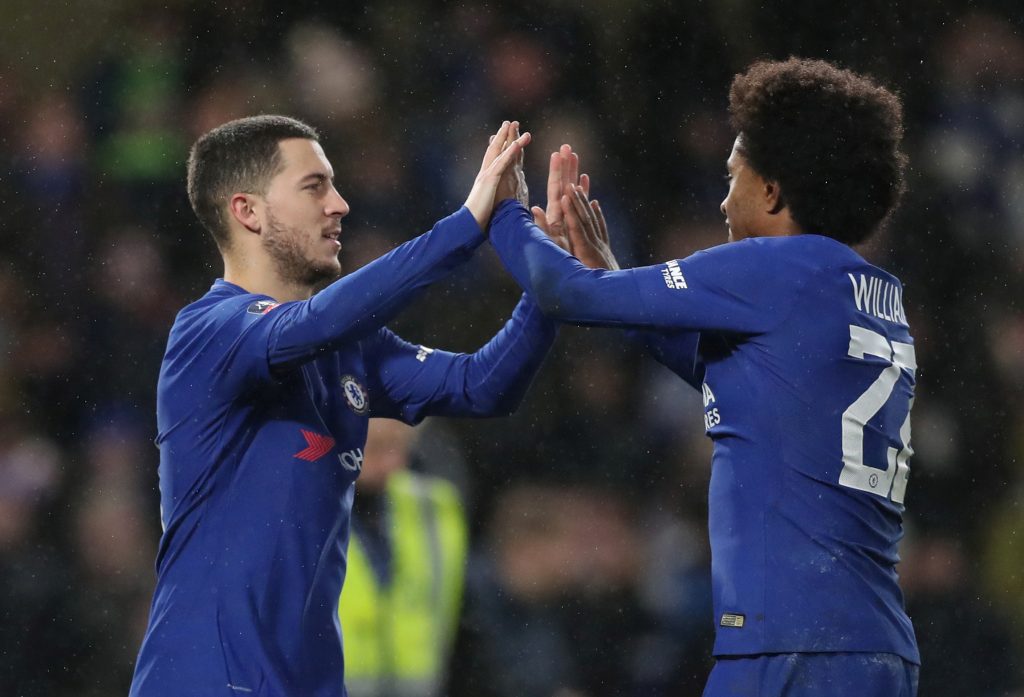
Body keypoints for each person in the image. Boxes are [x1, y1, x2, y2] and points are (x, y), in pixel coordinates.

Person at [488, 58, 920, 696]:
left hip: (790, 647)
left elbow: (560, 292)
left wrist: (502, 214)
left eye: (732, 178)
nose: (723, 201)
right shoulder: (870, 297)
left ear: (772, 191)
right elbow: (722, 371)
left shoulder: (775, 268)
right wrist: (611, 279)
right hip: (872, 647)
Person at [129, 116, 556, 697]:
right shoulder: (207, 333)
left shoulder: (348, 350)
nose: (340, 204)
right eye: (314, 186)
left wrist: (548, 285)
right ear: (248, 212)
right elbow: (315, 321)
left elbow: (485, 386)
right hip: (204, 682)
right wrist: (465, 226)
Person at [338, 418, 467, 697]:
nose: (393, 463)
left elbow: (462, 625)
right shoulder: (297, 511)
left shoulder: (435, 508)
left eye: (401, 446)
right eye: (376, 447)